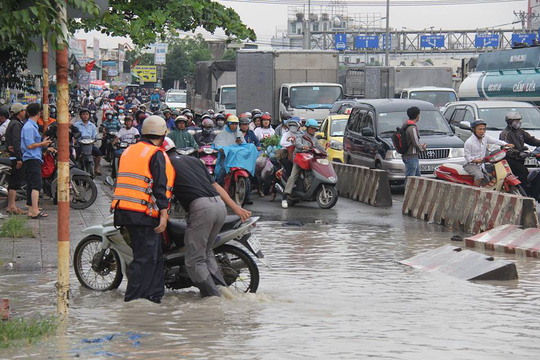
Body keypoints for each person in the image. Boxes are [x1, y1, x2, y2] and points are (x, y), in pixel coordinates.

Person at [162, 137, 251, 297]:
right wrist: (236, 208)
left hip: (201, 209)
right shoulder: (194, 161)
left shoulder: (165, 164)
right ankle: (224, 292)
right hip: (219, 207)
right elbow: (216, 186)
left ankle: (213, 299)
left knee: (193, 260)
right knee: (207, 252)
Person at [112, 115, 174, 303]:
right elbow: (160, 187)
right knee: (144, 259)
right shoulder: (155, 154)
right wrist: (164, 214)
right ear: (163, 135)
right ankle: (132, 301)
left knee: (153, 258)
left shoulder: (129, 151)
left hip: (124, 210)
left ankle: (154, 298)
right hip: (142, 213)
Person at [282, 119, 325, 209]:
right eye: (312, 128)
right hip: (299, 159)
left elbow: (319, 147)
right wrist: (302, 146)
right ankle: (285, 197)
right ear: (308, 128)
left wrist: (325, 152)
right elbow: (297, 143)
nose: (313, 130)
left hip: (310, 160)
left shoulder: (314, 139)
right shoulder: (300, 135)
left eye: (315, 129)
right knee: (293, 176)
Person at [21, 103, 53, 219]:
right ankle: (35, 210)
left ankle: (31, 209)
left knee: (31, 184)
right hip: (32, 157)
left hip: (33, 157)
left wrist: (43, 142)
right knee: (36, 184)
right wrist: (42, 144)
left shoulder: (31, 125)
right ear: (39, 113)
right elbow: (29, 145)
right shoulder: (29, 127)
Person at [464, 120, 510, 187]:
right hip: (470, 164)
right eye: (480, 129)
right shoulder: (469, 142)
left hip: (481, 164)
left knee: (489, 179)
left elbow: (496, 141)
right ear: (474, 130)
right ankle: (474, 192)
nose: (482, 131)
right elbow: (467, 157)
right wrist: (476, 160)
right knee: (479, 176)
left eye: (484, 129)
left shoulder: (485, 137)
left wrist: (507, 144)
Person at [499, 111, 540, 186]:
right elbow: (507, 148)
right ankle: (523, 191)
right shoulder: (505, 133)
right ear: (510, 122)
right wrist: (518, 153)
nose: (518, 123)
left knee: (535, 170)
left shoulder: (520, 131)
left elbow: (531, 140)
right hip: (510, 159)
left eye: (519, 120)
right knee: (523, 171)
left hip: (521, 159)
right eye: (516, 121)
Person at [4, 103, 26, 215]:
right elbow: (17, 141)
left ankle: (10, 205)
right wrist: (19, 158)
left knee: (13, 181)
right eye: (23, 110)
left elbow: (9, 141)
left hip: (13, 155)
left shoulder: (12, 123)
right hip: (16, 156)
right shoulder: (16, 124)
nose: (24, 112)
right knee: (15, 181)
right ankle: (12, 206)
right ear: (20, 112)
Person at [402, 106, 427, 186]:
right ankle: (407, 196)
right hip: (411, 156)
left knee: (417, 178)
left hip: (410, 156)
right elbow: (415, 143)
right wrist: (422, 148)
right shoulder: (412, 128)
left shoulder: (406, 125)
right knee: (410, 179)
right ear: (417, 115)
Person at [73, 108, 102, 175]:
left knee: (98, 154)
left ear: (89, 115)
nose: (85, 116)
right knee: (74, 157)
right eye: (83, 114)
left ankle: (96, 169)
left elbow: (94, 136)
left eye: (87, 114)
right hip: (79, 145)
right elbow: (74, 135)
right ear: (80, 116)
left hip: (89, 145)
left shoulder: (92, 125)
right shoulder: (76, 125)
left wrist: (95, 139)